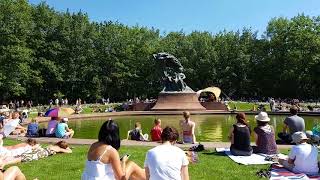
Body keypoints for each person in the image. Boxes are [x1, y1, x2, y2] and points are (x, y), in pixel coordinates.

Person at [2, 141, 72, 165]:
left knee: (22, 156)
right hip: (39, 154)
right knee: (22, 158)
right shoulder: (59, 149)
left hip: (39, 151)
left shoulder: (52, 146)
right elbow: (69, 151)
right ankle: (4, 163)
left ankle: (4, 159)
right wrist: (67, 148)